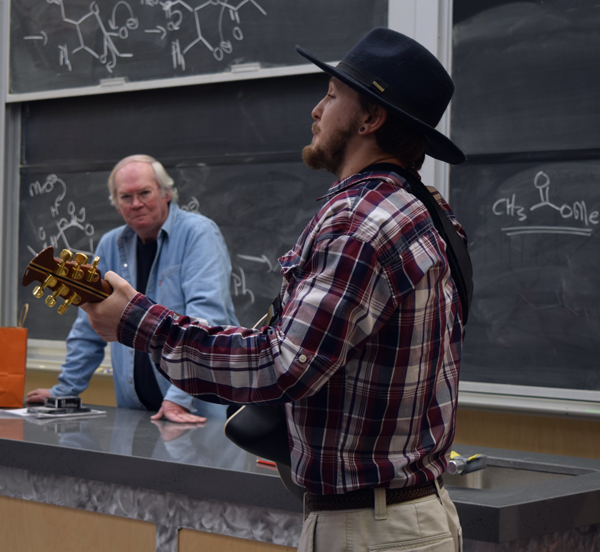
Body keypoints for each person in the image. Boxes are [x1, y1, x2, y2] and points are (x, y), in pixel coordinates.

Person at [82, 29, 468, 550]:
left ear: (370, 119)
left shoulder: (360, 222)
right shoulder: (426, 210)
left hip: (372, 529)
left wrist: (136, 321)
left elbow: (280, 365)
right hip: (407, 513)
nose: (316, 109)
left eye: (332, 95)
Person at [27, 155, 239, 423]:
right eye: (126, 197)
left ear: (166, 193)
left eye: (144, 193)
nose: (137, 203)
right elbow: (87, 327)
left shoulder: (198, 234)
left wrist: (177, 399)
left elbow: (207, 318)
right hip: (135, 414)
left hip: (197, 411)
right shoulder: (109, 244)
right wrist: (64, 392)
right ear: (116, 205)